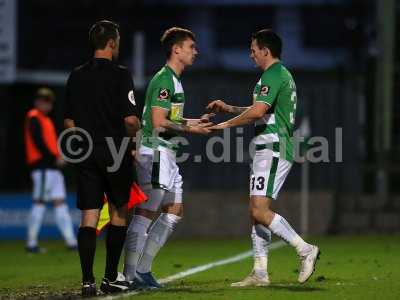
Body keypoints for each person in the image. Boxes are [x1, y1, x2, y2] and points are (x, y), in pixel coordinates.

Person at [207, 29, 320, 286]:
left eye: (253, 50)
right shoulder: (279, 75)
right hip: (267, 148)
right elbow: (261, 110)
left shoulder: (274, 74)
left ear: (265, 51)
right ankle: (260, 272)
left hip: (273, 147)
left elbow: (258, 112)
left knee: (259, 210)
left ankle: (304, 249)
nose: (251, 55)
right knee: (255, 212)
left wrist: (223, 125)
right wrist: (229, 108)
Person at [123, 27, 212, 289]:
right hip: (155, 151)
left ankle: (142, 270)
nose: (195, 51)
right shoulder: (164, 80)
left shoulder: (174, 80)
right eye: (191, 47)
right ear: (177, 49)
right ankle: (129, 275)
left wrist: (196, 121)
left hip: (166, 153)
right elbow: (159, 121)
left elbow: (170, 118)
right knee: (146, 213)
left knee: (174, 211)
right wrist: (191, 129)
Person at [64, 20, 141, 297]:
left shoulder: (76, 75)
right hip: (115, 150)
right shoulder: (121, 75)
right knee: (120, 212)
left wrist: (82, 144)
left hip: (86, 152)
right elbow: (131, 120)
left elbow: (69, 120)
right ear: (111, 43)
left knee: (89, 215)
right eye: (117, 41)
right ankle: (109, 278)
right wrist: (135, 143)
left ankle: (87, 282)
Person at [24, 87, 77, 253]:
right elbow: (38, 142)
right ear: (37, 102)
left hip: (51, 169)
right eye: (43, 101)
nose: (46, 105)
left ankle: (71, 241)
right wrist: (55, 158)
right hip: (42, 168)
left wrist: (57, 157)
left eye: (48, 102)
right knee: (39, 203)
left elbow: (48, 143)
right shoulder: (34, 117)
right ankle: (31, 243)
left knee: (60, 203)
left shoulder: (45, 119)